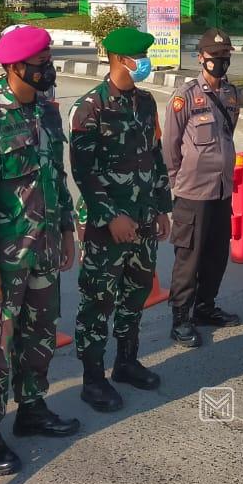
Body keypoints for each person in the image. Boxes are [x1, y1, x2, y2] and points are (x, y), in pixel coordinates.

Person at [0, 25, 79, 477]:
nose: (48, 69)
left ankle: (32, 408)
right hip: (4, 258)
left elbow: (56, 177)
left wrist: (66, 230)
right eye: (40, 63)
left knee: (40, 334)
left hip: (44, 248)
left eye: (49, 61)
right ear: (14, 67)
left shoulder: (47, 112)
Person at [68, 27, 172, 412]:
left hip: (143, 220)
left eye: (145, 57)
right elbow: (83, 171)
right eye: (138, 58)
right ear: (118, 60)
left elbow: (155, 155)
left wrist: (162, 206)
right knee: (98, 302)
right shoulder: (89, 107)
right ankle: (93, 379)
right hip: (105, 226)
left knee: (135, 294)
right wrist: (111, 217)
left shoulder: (145, 102)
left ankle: (126, 362)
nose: (145, 63)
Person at [163, 28, 242, 347]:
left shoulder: (232, 94)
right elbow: (170, 146)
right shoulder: (185, 96)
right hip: (192, 193)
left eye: (225, 57)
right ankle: (180, 318)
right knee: (189, 258)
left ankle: (205, 307)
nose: (221, 62)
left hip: (222, 190)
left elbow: (227, 134)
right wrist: (178, 181)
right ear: (201, 58)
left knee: (216, 254)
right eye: (215, 57)